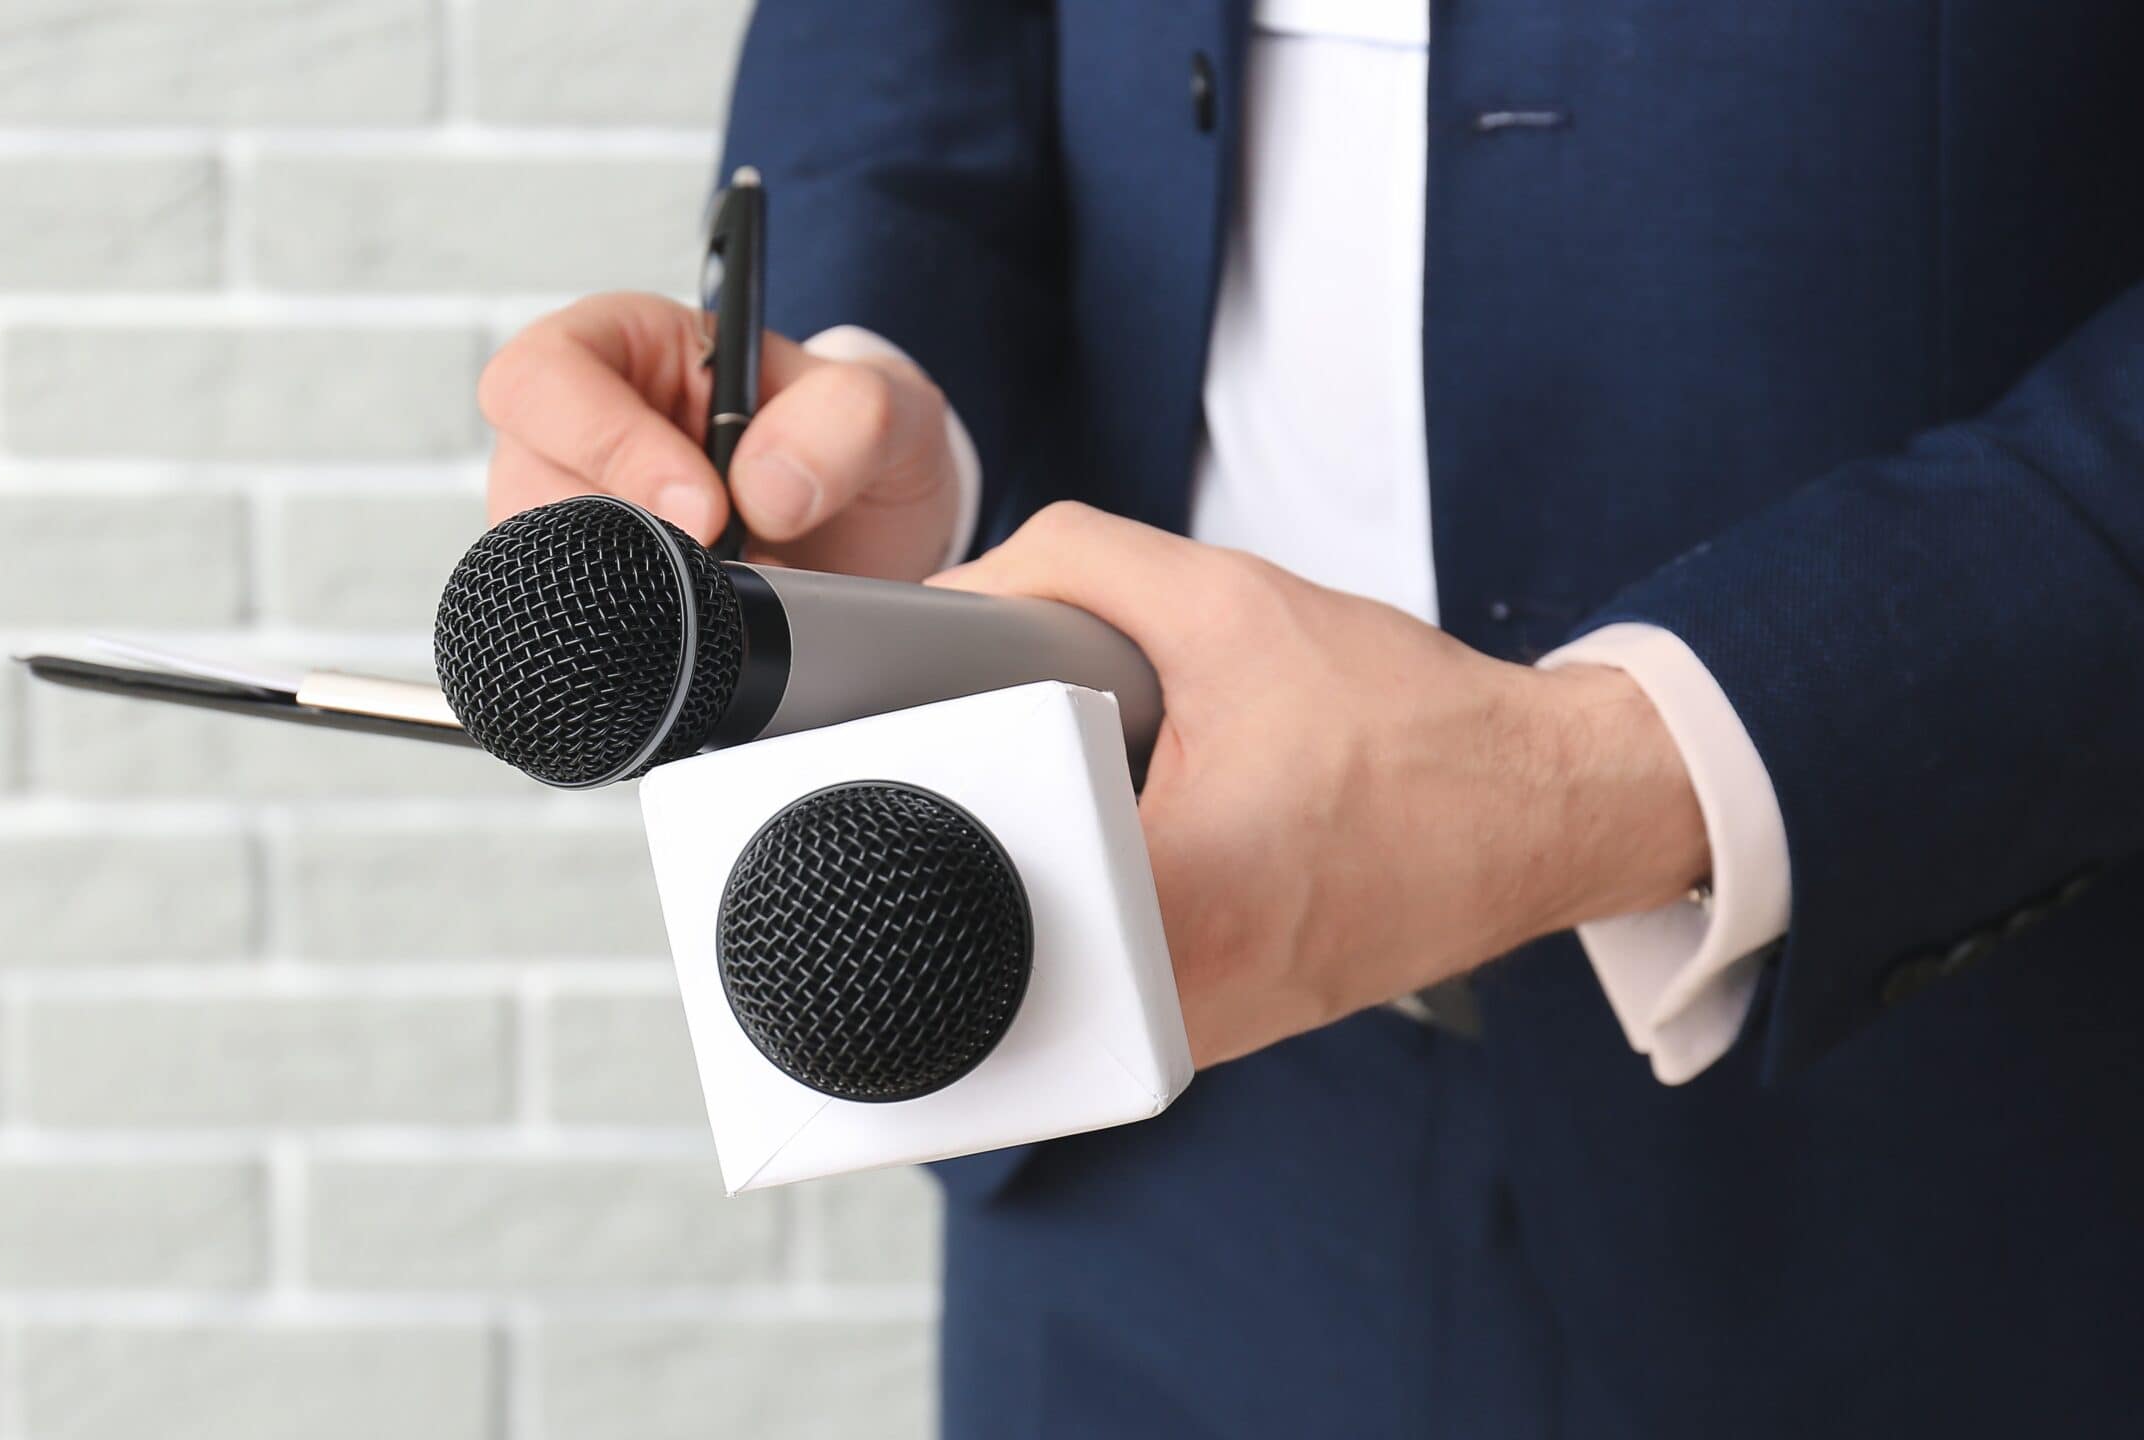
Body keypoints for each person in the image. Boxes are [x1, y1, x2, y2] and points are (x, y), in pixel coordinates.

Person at [478, 2, 2144, 1435]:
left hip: (1941, 1139)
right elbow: (903, 75)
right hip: (1127, 1115)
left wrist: (1602, 773)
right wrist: (859, 402)